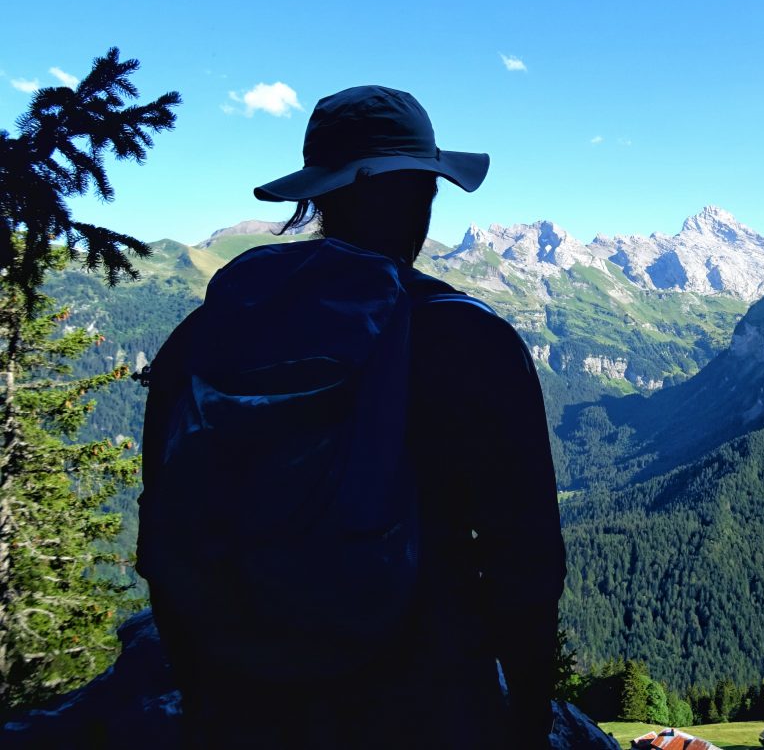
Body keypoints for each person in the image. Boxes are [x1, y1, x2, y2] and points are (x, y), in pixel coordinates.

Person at [138, 86, 566, 748]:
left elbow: (163, 528)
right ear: (424, 193)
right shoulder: (470, 339)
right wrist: (529, 726)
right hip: (423, 702)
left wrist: (207, 694)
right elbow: (527, 567)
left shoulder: (205, 337)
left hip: (247, 699)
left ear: (317, 197)